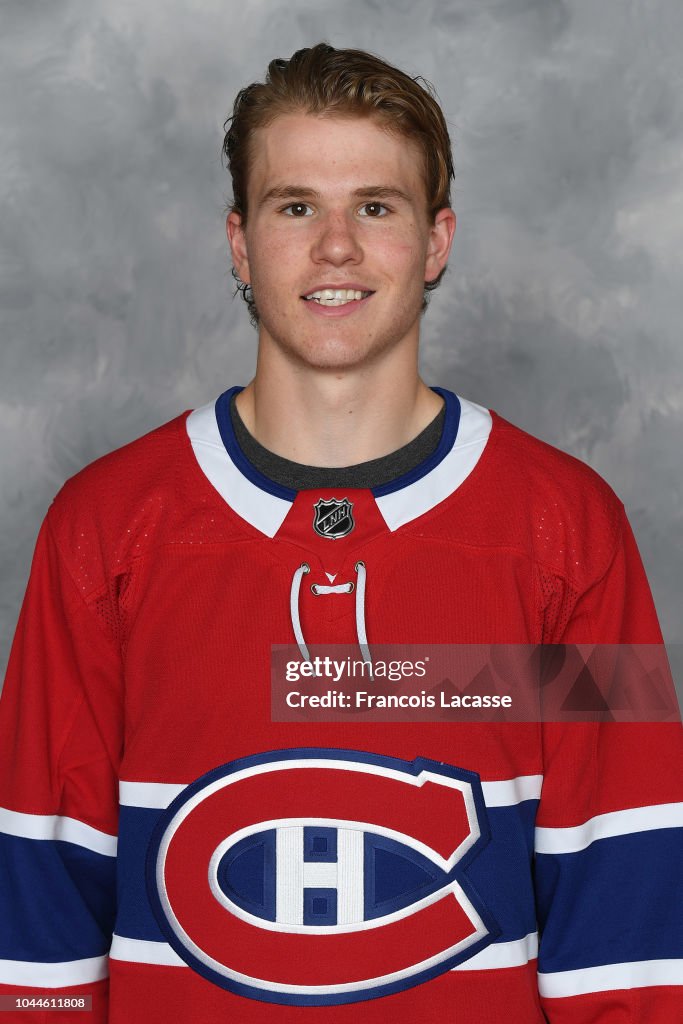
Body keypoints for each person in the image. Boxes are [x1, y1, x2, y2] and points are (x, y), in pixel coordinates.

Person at [0, 43, 681, 1024]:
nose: (334, 248)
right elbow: (40, 911)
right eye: (294, 207)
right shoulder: (105, 528)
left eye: (375, 206)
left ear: (435, 240)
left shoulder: (568, 529)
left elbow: (626, 925)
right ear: (239, 242)